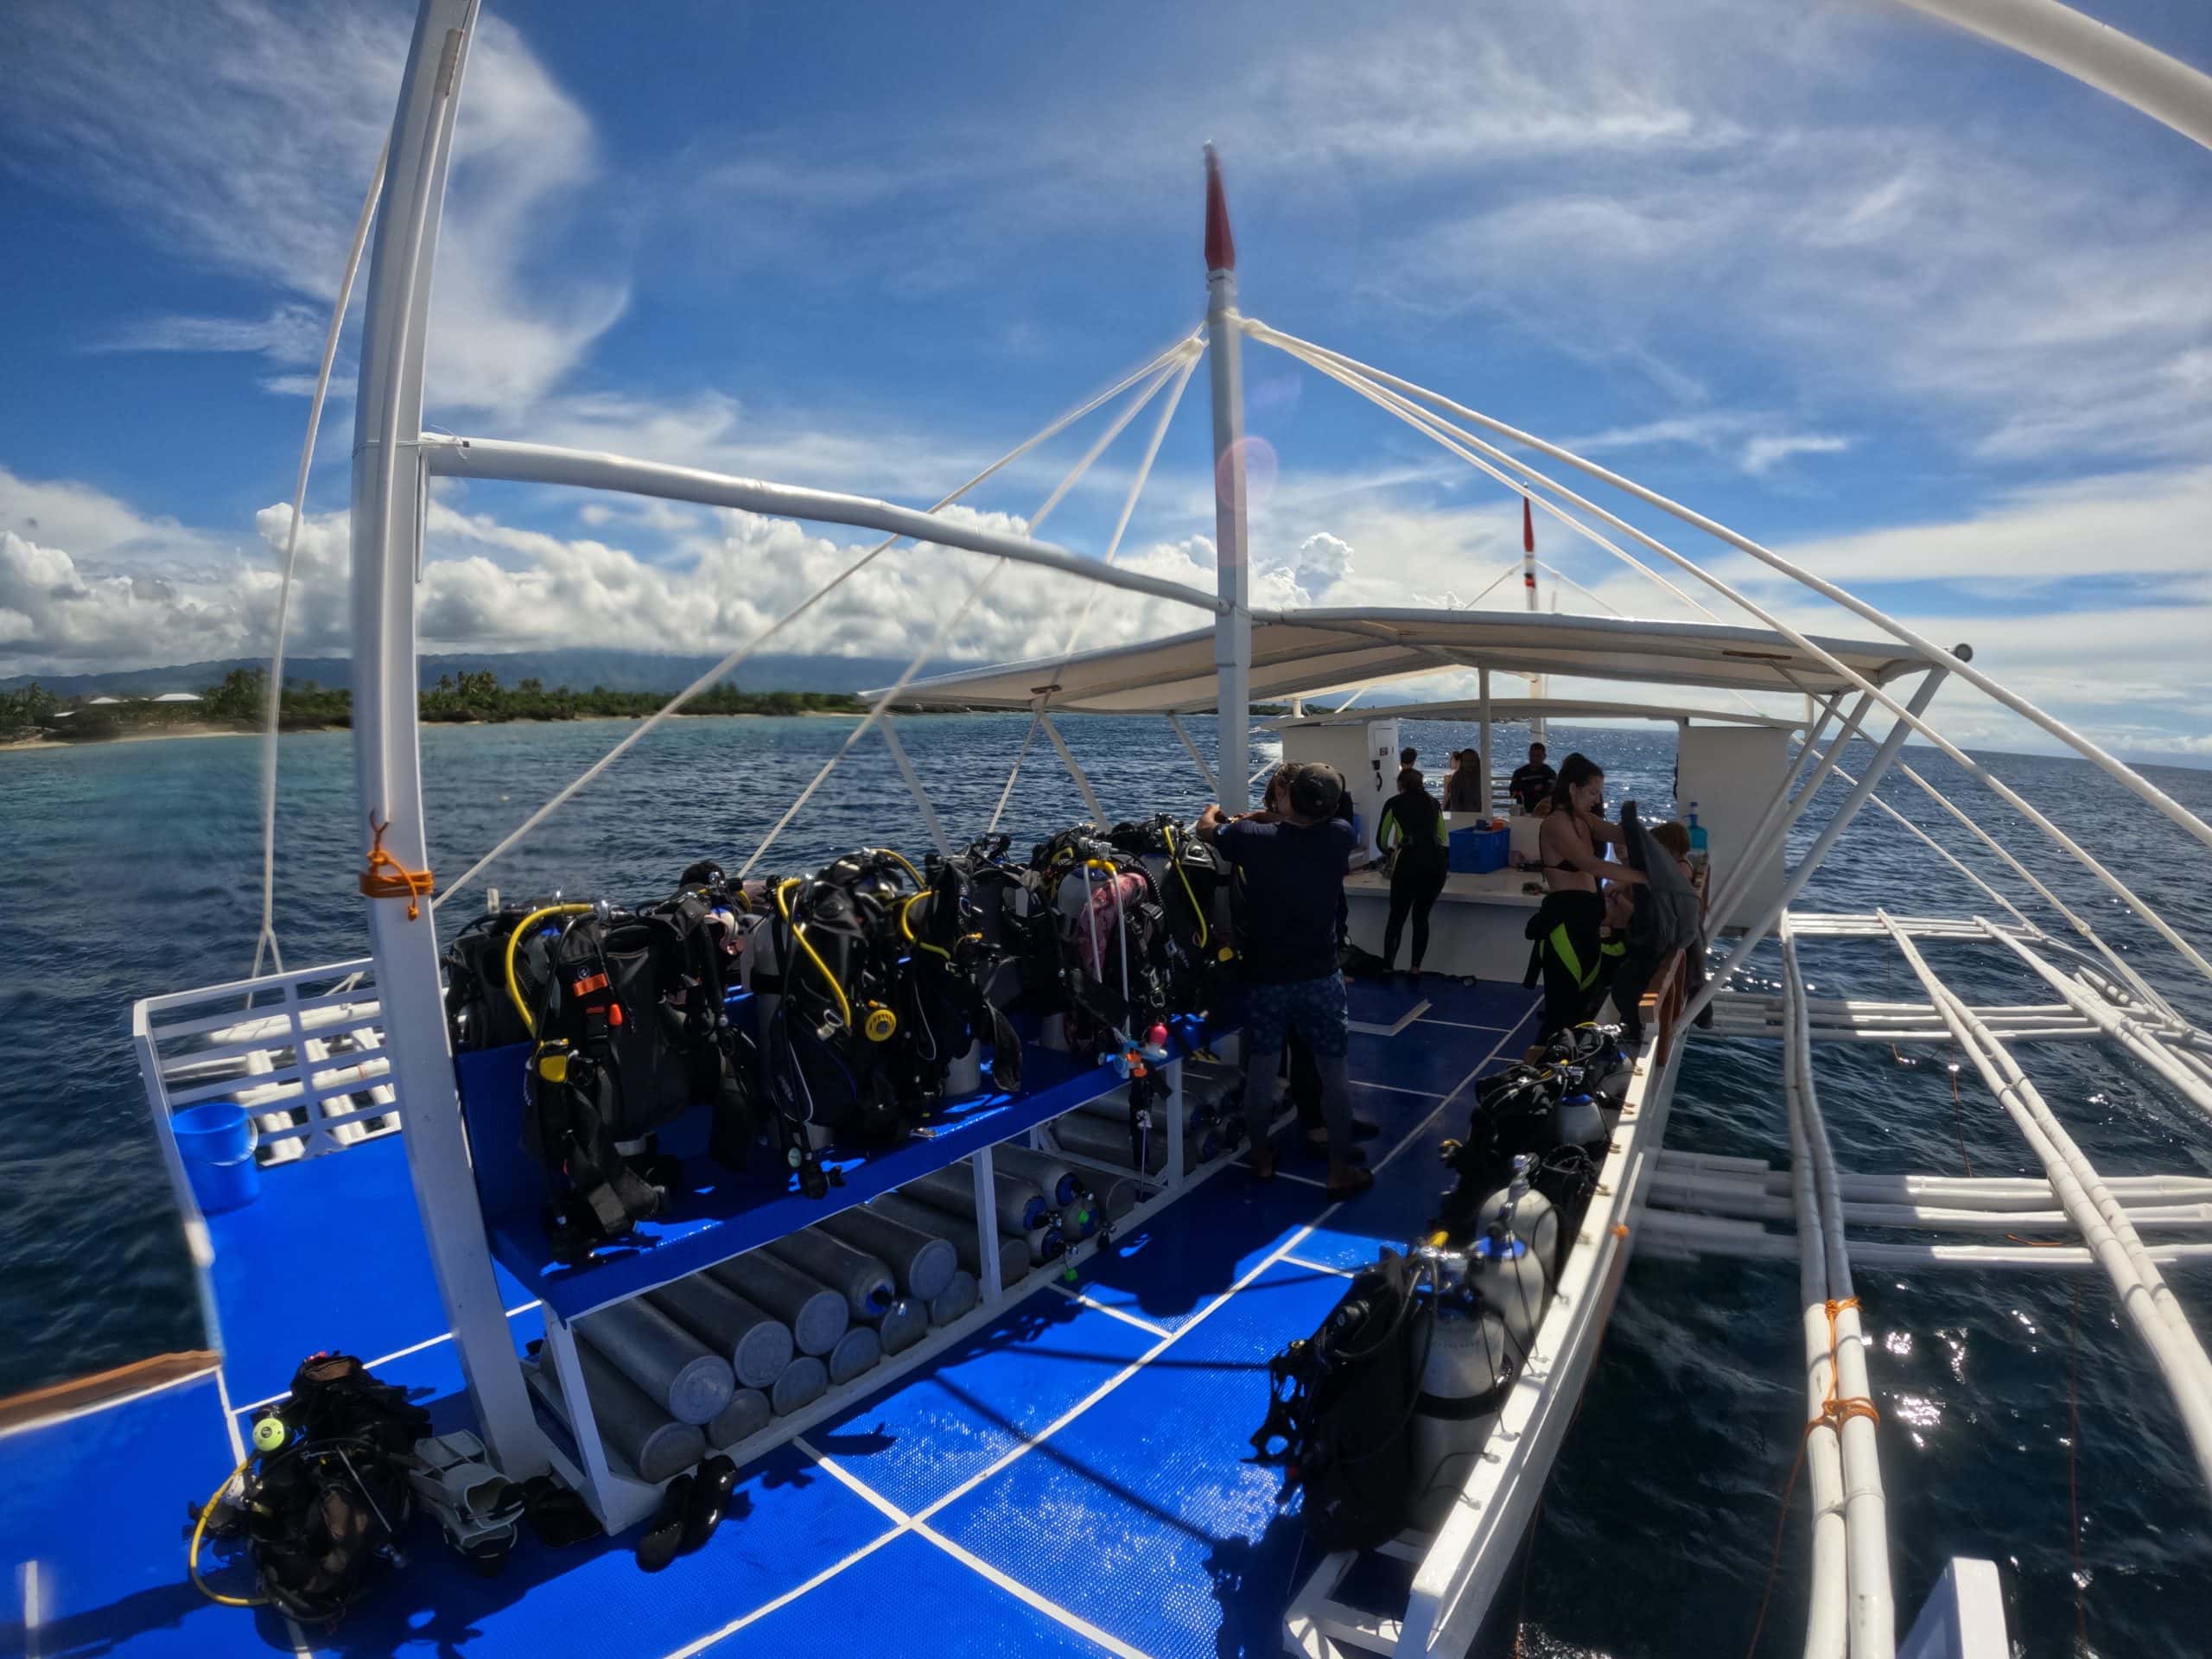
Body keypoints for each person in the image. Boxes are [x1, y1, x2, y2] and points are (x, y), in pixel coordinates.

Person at [1198, 763, 1373, 1196]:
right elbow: (1297, 828)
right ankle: (1338, 1170)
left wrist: (1216, 810)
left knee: (1261, 1069)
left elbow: (1207, 830)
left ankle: (1260, 1158)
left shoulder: (1253, 841)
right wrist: (1271, 817)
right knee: (1334, 1075)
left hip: (1267, 978)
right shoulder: (1340, 836)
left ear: (1289, 798)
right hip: (1320, 977)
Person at [1527, 754, 1644, 1043]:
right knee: (1560, 1013)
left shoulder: (1586, 821)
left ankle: (1567, 1070)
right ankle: (1540, 1074)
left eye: (1599, 793)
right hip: (1564, 926)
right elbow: (1589, 863)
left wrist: (1656, 843)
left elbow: (1621, 834)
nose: (1596, 799)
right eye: (1592, 792)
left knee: (1582, 1006)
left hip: (1588, 923)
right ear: (1572, 789)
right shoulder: (1556, 823)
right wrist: (1644, 878)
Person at [1376, 766, 1448, 977]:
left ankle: (1388, 967)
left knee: (1397, 917)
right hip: (1436, 864)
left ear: (1401, 785)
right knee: (1421, 916)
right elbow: (1442, 836)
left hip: (1409, 863)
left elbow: (1381, 839)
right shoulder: (1434, 803)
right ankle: (1415, 968)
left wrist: (1390, 852)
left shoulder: (1394, 803)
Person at [1509, 741, 1556, 815]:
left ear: (1544, 756)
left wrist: (1524, 789)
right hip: (1522, 812)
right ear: (1529, 755)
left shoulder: (1550, 773)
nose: (1535, 759)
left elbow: (1549, 792)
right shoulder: (1519, 772)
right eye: (1532, 755)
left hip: (1543, 813)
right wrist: (1533, 788)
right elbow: (1513, 792)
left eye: (1538, 756)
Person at [1441, 748, 1486, 812]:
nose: (1469, 764)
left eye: (1472, 761)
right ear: (1462, 762)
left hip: (1479, 813)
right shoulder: (1457, 778)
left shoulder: (1482, 777)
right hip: (1460, 814)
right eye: (1466, 761)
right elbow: (1454, 802)